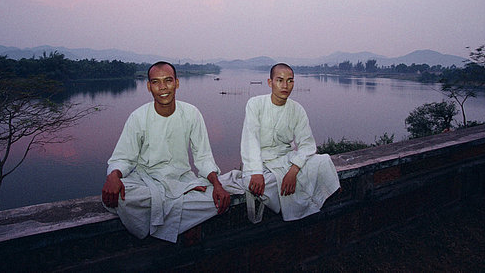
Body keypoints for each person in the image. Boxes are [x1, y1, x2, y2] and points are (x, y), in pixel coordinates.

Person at [101, 61, 233, 243]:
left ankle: (169, 217)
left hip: (182, 178)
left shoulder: (191, 113)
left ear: (177, 83)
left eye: (168, 81)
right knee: (125, 197)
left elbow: (203, 157)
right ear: (149, 86)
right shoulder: (138, 117)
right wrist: (113, 176)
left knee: (220, 195)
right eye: (156, 82)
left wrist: (216, 184)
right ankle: (183, 218)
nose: (163, 87)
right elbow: (124, 158)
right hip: (148, 180)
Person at [240, 63, 340, 223]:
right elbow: (249, 140)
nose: (285, 86)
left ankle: (307, 207)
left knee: (323, 161)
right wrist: (256, 172)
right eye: (279, 80)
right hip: (260, 162)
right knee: (256, 184)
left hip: (285, 159)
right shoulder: (255, 104)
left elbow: (307, 145)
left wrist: (293, 170)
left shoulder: (297, 109)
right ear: (269, 82)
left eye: (290, 81)